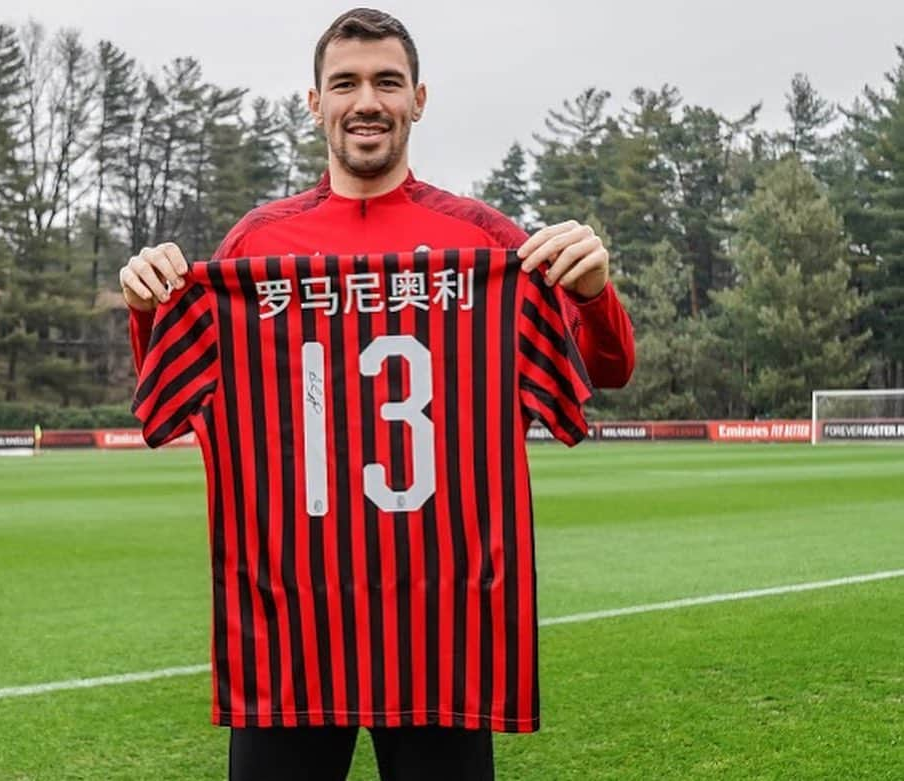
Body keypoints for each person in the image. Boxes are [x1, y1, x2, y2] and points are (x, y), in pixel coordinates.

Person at [120, 8, 635, 780]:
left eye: (387, 82)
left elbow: (606, 371)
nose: (367, 100)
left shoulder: (485, 241)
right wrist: (147, 309)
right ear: (314, 102)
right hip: (290, 627)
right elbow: (172, 393)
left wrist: (594, 294)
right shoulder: (256, 244)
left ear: (418, 99)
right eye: (346, 83)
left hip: (444, 629)